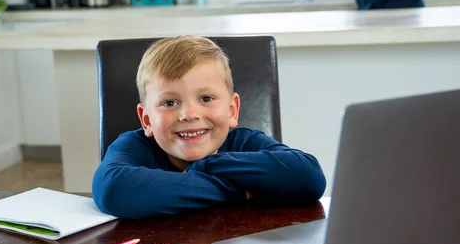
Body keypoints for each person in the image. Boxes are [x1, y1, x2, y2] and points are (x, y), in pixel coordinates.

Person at [92, 35, 326, 219]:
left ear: (232, 110)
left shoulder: (244, 142)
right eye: (169, 103)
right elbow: (112, 189)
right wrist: (239, 191)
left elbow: (309, 177)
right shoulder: (134, 145)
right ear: (146, 120)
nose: (189, 114)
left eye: (206, 99)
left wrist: (205, 165)